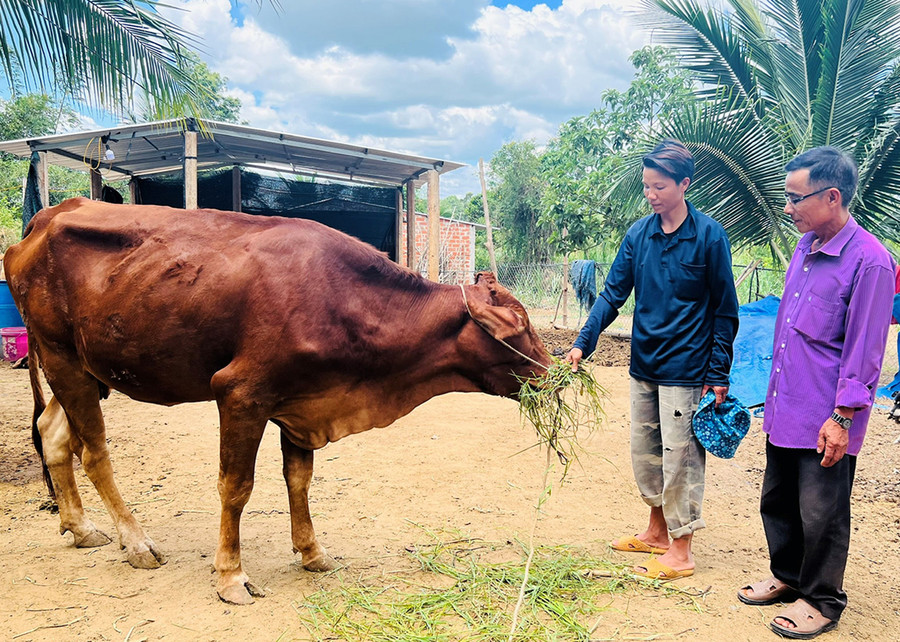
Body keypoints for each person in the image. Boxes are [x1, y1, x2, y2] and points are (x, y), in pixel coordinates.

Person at [737, 147, 896, 639]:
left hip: (828, 414)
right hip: (786, 403)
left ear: (832, 197)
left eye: (795, 197)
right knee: (778, 499)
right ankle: (787, 576)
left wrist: (844, 416)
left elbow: (865, 349)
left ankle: (823, 598)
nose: (788, 207)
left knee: (822, 510)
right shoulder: (805, 250)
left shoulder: (870, 262)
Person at [566, 139, 739, 580]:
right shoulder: (638, 235)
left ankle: (682, 550)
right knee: (647, 454)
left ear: (684, 184)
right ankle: (657, 532)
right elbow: (612, 294)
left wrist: (718, 373)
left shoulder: (709, 237)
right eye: (646, 186)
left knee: (681, 458)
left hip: (687, 369)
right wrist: (583, 342)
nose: (651, 194)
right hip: (644, 365)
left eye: (659, 186)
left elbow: (725, 310)